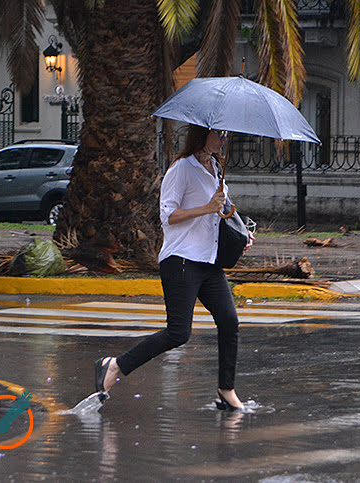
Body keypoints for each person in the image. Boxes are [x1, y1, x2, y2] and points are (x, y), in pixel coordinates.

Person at [94, 125, 253, 411]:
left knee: (229, 322)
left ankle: (226, 390)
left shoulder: (215, 169)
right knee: (179, 332)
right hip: (181, 260)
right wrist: (206, 207)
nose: (223, 139)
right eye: (218, 133)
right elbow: (168, 216)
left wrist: (241, 234)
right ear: (202, 134)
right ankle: (115, 365)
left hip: (208, 260)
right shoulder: (182, 169)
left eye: (226, 134)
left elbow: (222, 212)